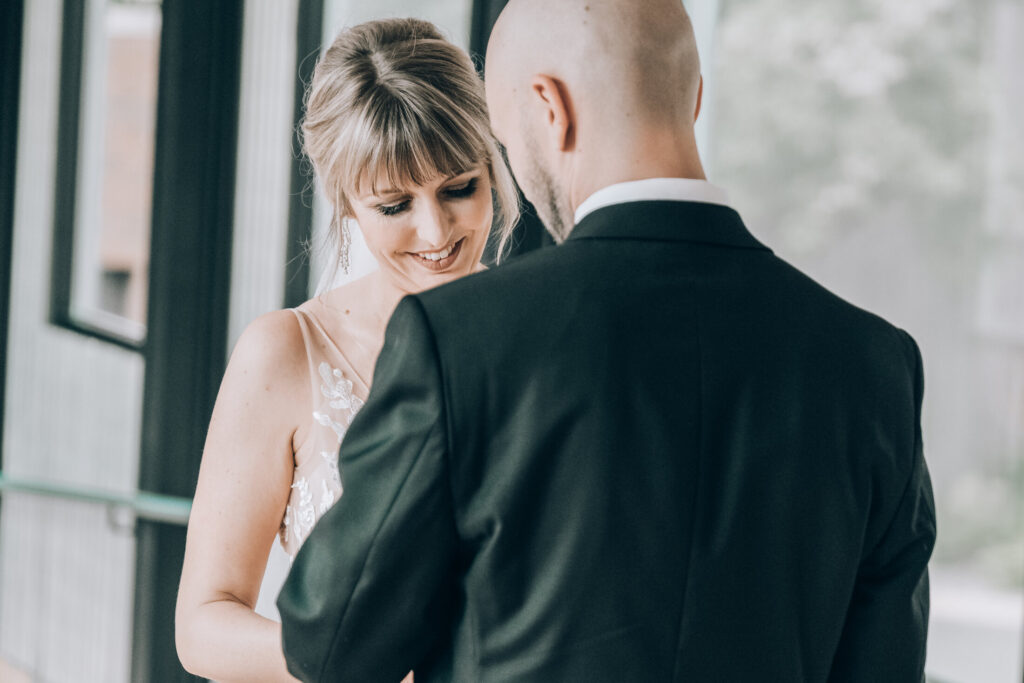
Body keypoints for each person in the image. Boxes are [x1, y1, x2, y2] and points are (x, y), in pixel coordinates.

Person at [278, 0, 937, 680]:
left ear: (549, 108)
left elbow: (329, 646)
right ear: (696, 97)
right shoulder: (874, 365)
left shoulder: (458, 339)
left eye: (505, 139)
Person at [174, 18, 519, 682]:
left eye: (460, 188)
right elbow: (202, 622)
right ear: (346, 201)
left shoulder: (545, 334)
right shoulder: (284, 355)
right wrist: (350, 656)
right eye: (394, 204)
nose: (436, 230)